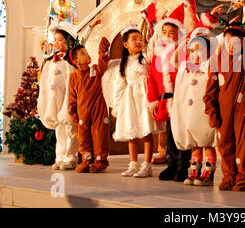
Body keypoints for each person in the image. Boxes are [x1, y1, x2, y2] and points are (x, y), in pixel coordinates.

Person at [147, 6, 219, 182]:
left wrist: (189, 39)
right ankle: (179, 166)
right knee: (178, 135)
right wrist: (153, 100)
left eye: (172, 32)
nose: (167, 36)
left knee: (202, 141)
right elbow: (152, 79)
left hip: (197, 107)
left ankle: (194, 169)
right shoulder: (159, 55)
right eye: (164, 32)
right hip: (176, 104)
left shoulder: (206, 65)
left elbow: (198, 37)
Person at [139, 0, 203, 165]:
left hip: (182, 76)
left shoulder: (184, 9)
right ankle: (167, 155)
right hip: (160, 67)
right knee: (167, 119)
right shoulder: (152, 10)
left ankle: (183, 161)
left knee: (181, 121)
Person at [203, 8, 245, 191]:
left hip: (243, 104)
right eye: (229, 42)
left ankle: (243, 176)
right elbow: (210, 89)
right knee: (224, 142)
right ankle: (228, 175)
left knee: (242, 142)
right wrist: (211, 110)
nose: (232, 46)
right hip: (223, 107)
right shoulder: (216, 61)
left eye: (237, 43)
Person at [37, 18, 99, 171]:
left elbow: (82, 40)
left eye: (61, 40)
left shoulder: (72, 57)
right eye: (55, 40)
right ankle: (60, 157)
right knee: (59, 129)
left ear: (68, 41)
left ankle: (70, 157)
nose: (57, 43)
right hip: (55, 99)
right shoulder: (51, 59)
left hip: (69, 98)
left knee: (70, 128)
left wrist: (90, 27)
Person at [170, 29, 218, 186]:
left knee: (207, 142)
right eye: (191, 50)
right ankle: (194, 171)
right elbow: (173, 61)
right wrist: (181, 46)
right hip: (190, 114)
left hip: (204, 112)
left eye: (199, 50)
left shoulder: (210, 66)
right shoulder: (186, 66)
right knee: (195, 145)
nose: (195, 54)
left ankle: (208, 173)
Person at [109, 25, 156, 178]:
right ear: (125, 44)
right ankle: (133, 164)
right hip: (130, 101)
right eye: (134, 39)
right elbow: (119, 85)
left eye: (140, 39)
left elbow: (154, 42)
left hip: (144, 99)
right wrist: (117, 107)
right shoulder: (123, 64)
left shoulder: (146, 58)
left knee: (147, 132)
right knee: (132, 132)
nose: (138, 42)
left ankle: (147, 165)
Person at [68, 36, 111, 173]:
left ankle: (100, 160)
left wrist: (103, 51)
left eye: (86, 52)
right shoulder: (73, 77)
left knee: (99, 134)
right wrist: (73, 113)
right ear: (76, 61)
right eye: (83, 54)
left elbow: (103, 63)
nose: (87, 54)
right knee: (83, 136)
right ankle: (87, 159)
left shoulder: (95, 70)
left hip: (98, 109)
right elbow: (72, 97)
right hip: (82, 112)